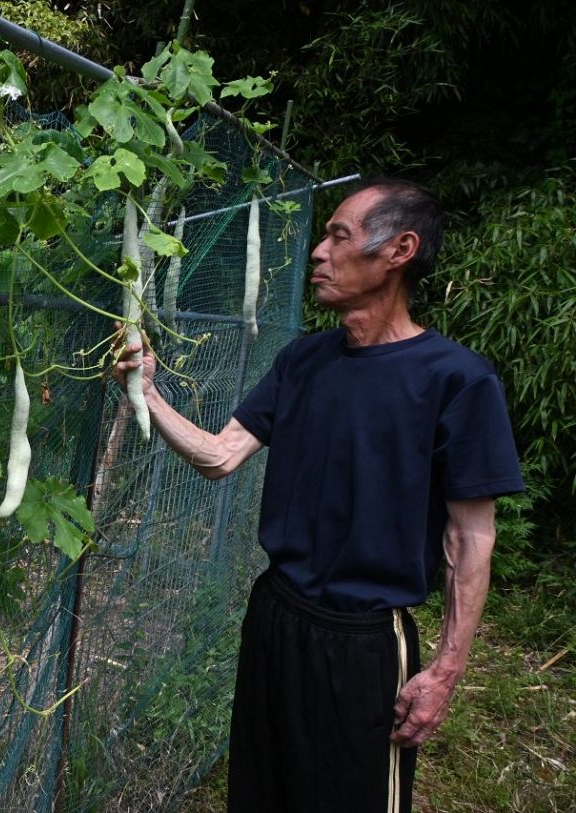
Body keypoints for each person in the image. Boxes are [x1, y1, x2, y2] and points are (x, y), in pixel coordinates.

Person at [114, 178, 524, 813]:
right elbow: (221, 456)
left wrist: (444, 670)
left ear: (400, 250)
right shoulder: (303, 360)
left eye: (340, 236)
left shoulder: (457, 381)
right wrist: (148, 392)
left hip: (363, 643)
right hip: (275, 617)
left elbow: (470, 536)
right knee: (262, 789)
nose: (318, 251)